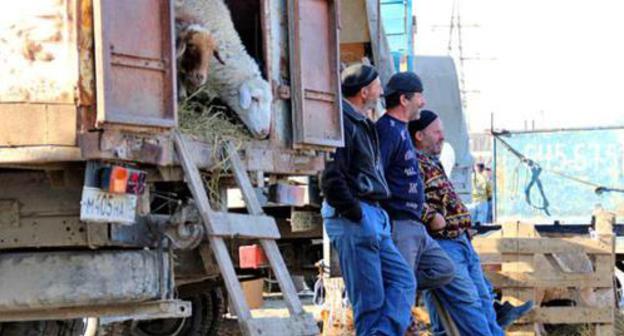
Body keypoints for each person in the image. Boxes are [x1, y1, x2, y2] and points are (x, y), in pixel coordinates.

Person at [409, 110, 532, 336]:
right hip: (442, 243)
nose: (442, 137)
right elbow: (407, 198)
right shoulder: (412, 162)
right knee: (469, 306)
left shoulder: (431, 162)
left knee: (482, 301)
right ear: (419, 135)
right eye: (436, 132)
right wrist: (431, 217)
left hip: (459, 241)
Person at [321, 64, 416, 336]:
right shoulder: (342, 123)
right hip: (357, 218)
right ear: (364, 92)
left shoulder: (360, 122)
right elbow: (330, 178)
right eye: (376, 85)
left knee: (403, 280)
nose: (381, 90)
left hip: (371, 216)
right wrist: (357, 214)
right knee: (370, 302)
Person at [375, 72, 455, 294]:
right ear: (404, 100)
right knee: (401, 289)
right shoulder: (387, 130)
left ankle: (395, 284)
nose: (423, 102)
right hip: (400, 223)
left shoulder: (400, 130)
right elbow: (377, 175)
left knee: (444, 269)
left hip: (415, 223)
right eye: (419, 96)